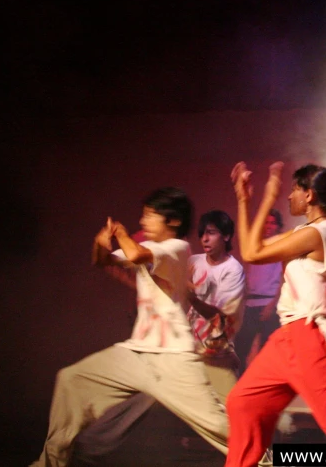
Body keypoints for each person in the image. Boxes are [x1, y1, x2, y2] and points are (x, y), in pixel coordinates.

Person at [31, 188, 229, 467]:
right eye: (144, 214)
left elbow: (134, 255)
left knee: (221, 428)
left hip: (171, 358)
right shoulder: (152, 249)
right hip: (136, 352)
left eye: (150, 215)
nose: (144, 221)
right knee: (72, 379)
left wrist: (120, 233)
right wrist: (100, 243)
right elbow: (102, 261)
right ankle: (50, 463)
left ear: (172, 221)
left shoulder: (176, 247)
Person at [71, 210, 245, 464]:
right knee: (140, 400)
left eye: (212, 233)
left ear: (226, 236)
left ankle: (270, 451)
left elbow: (222, 316)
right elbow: (160, 281)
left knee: (237, 414)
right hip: (176, 351)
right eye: (203, 233)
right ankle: (89, 445)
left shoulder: (233, 270)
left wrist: (192, 299)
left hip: (211, 355)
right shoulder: (191, 260)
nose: (205, 239)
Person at [225, 162, 326, 467]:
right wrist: (245, 199)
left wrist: (267, 196)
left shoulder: (320, 232)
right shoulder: (303, 231)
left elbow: (251, 254)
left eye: (293, 190)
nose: (289, 196)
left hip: (312, 335)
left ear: (309, 195)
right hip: (287, 336)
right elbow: (252, 247)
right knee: (243, 402)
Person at [233, 209, 284, 376]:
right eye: (266, 223)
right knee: (241, 346)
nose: (268, 226)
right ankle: (241, 383)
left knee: (267, 351)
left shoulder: (280, 248)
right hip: (251, 303)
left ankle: (265, 387)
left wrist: (272, 305)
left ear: (278, 226)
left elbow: (283, 279)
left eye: (272, 223)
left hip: (269, 304)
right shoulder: (255, 247)